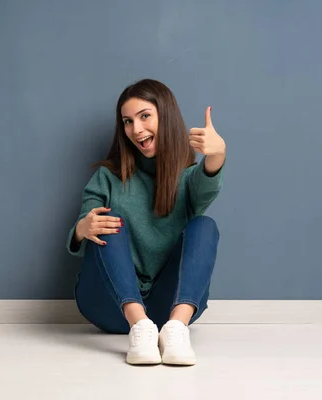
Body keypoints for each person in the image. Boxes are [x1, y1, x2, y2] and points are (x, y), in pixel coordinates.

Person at [65, 79, 225, 366]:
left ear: (166, 116)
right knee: (106, 222)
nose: (135, 129)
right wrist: (81, 229)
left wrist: (216, 155)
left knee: (205, 226)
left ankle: (176, 330)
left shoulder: (186, 179)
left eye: (144, 116)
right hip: (109, 306)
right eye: (127, 121)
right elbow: (84, 226)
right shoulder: (108, 178)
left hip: (168, 309)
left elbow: (206, 184)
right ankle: (139, 326)